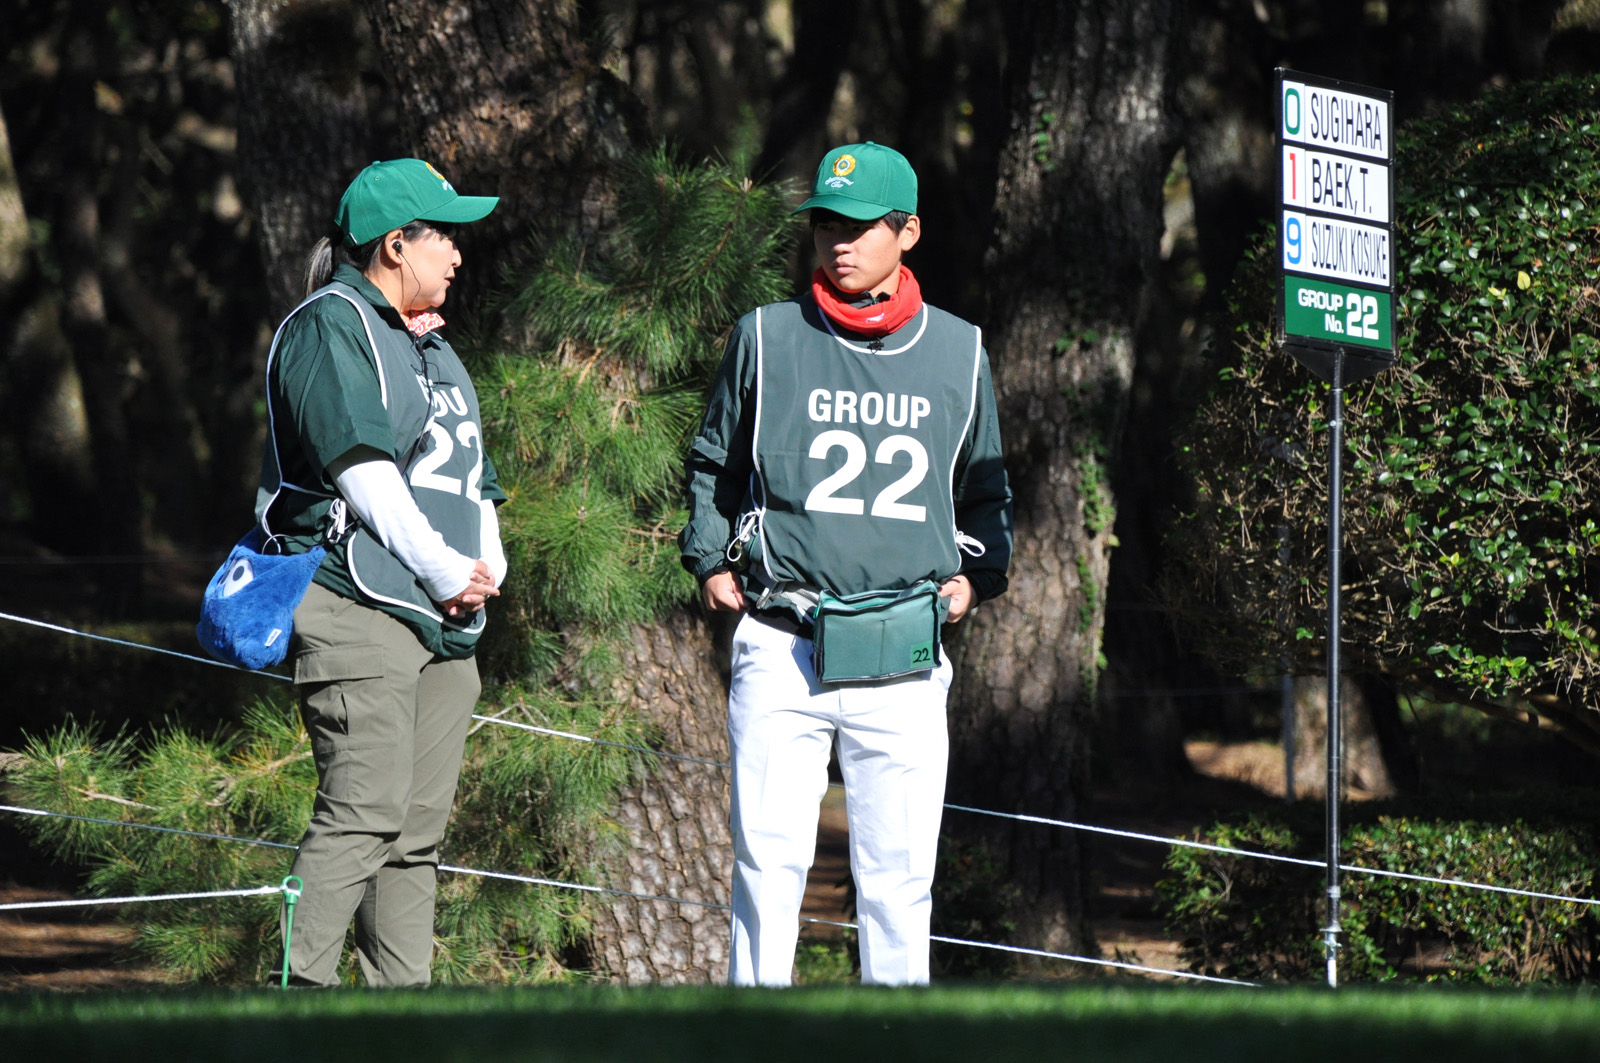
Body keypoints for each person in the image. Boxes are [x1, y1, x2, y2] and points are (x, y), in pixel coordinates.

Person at [680, 141, 1012, 986]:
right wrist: (710, 557)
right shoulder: (767, 335)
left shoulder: (961, 349)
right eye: (827, 223)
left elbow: (986, 490)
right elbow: (714, 461)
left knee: (899, 885)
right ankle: (757, 1031)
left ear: (909, 232)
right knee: (766, 869)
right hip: (781, 640)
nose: (840, 241)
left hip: (902, 653)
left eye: (861, 226)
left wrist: (977, 577)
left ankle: (893, 1036)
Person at [258, 158, 507, 987]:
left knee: (414, 837)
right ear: (396, 244)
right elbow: (362, 470)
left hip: (444, 620)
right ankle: (295, 1000)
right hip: (355, 603)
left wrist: (485, 567)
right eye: (446, 237)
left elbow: (474, 480)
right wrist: (444, 569)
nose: (459, 255)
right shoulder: (331, 325)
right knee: (362, 813)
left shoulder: (433, 344)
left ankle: (402, 1018)